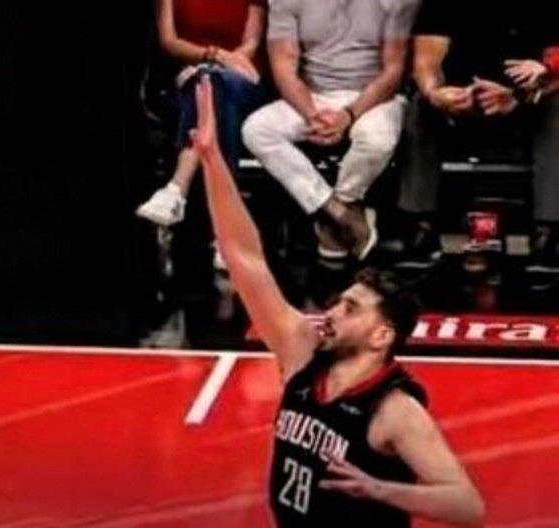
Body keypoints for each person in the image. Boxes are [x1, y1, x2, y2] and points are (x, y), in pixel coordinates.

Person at [193, 76, 484, 527]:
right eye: (339, 302)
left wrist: (382, 490)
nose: (331, 313)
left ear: (381, 335)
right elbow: (244, 256)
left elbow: (468, 507)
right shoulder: (302, 353)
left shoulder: (394, 410)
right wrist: (213, 162)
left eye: (351, 309)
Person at [242, 0, 420, 261]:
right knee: (257, 129)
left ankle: (345, 201)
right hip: (312, 97)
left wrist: (348, 114)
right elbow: (284, 69)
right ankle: (336, 211)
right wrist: (312, 116)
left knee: (377, 139)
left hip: (373, 97)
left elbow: (393, 72)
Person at [395, 0, 559, 272]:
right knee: (418, 107)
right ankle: (421, 227)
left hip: (526, 101)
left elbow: (554, 69)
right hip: (460, 101)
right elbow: (426, 64)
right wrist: (436, 94)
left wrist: (518, 96)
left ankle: (548, 233)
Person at [135, 0, 267, 242]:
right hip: (188, 85)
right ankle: (227, 232)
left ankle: (177, 188)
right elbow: (169, 42)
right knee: (211, 90)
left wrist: (217, 64)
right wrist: (210, 58)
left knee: (214, 84)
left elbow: (252, 42)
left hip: (242, 79)